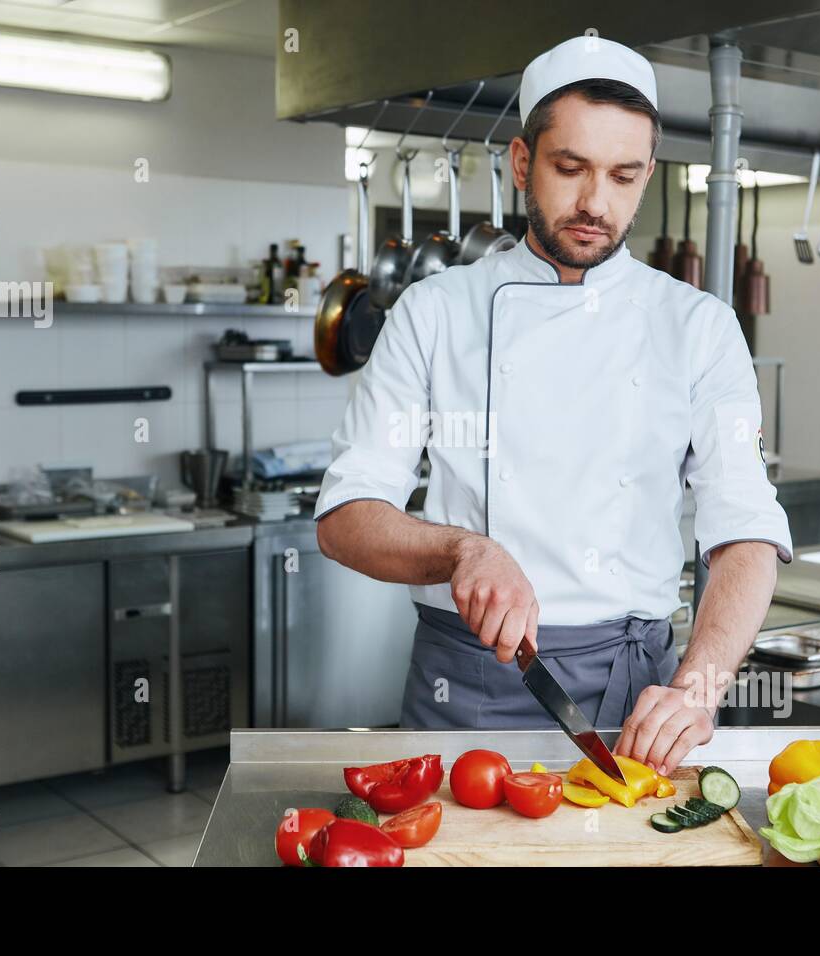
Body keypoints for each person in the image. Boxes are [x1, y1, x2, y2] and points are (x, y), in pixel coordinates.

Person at [314, 35, 792, 775]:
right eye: (570, 169)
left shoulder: (696, 325)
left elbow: (746, 532)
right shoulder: (433, 313)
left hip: (635, 692)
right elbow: (346, 518)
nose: (596, 204)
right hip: (467, 683)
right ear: (520, 163)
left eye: (624, 177)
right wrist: (462, 548)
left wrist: (698, 687)